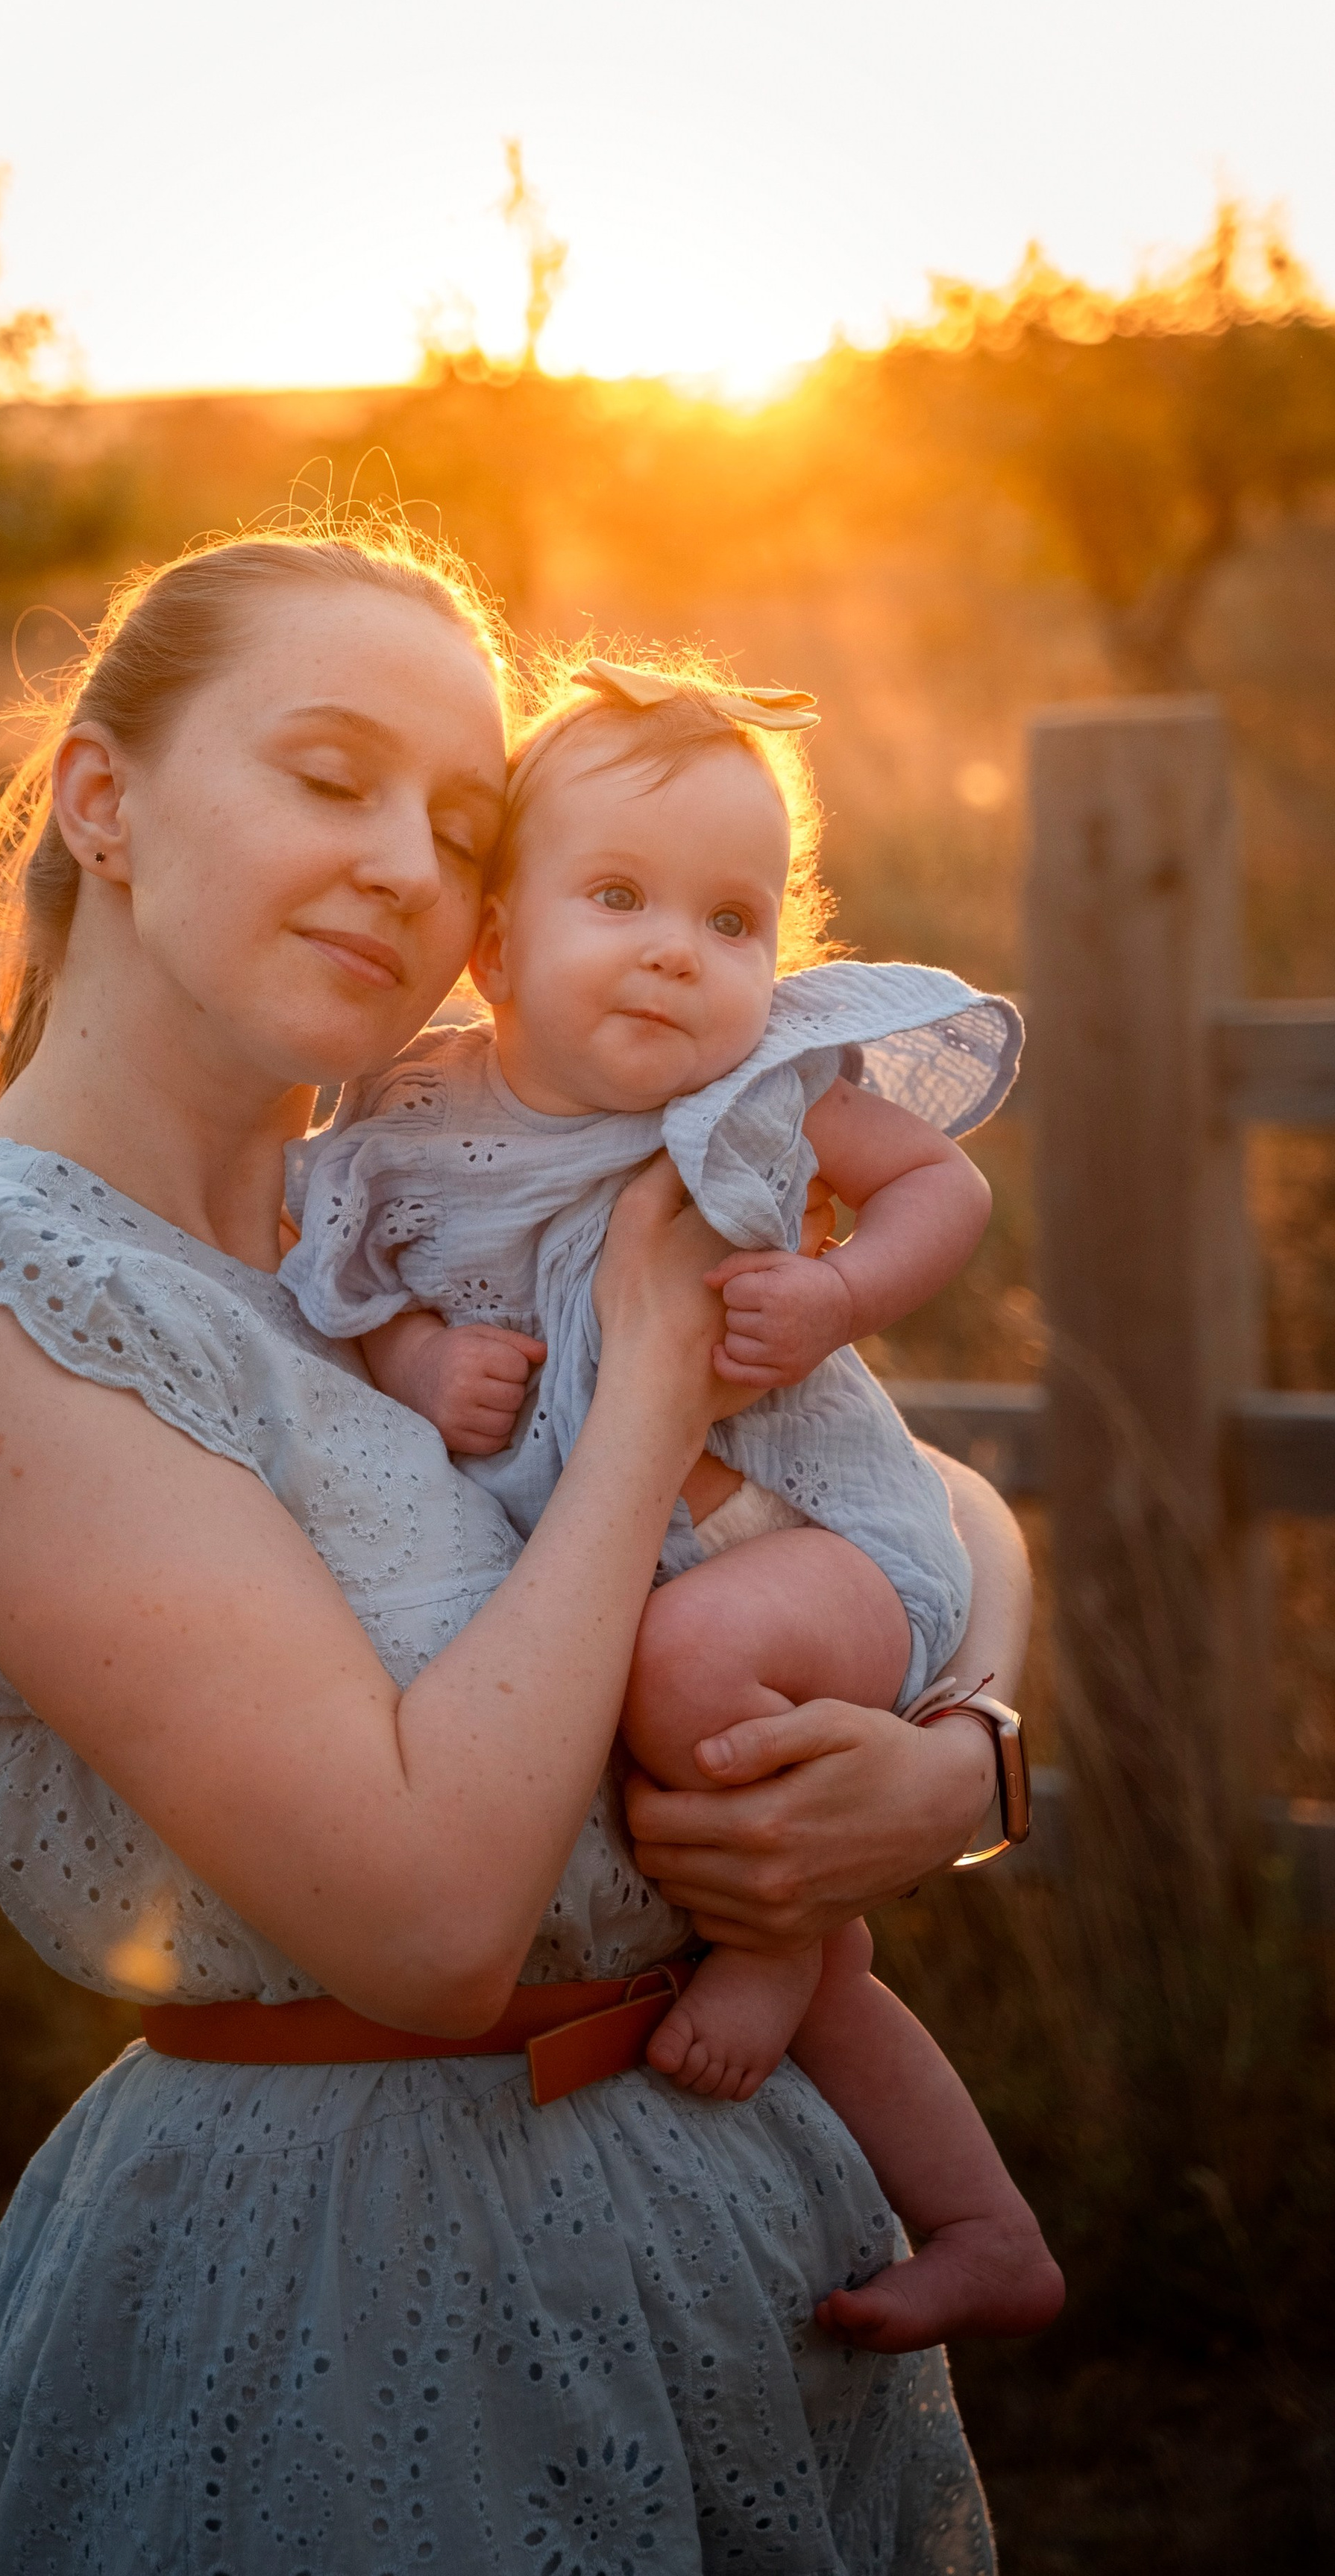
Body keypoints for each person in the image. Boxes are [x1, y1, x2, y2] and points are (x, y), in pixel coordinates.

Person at [0, 526, 1028, 2572]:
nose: (402, 869)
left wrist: (960, 1766)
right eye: (327, 775)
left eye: (458, 822)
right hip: (365, 2308)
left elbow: (932, 1510)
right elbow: (433, 1923)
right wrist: (648, 1389)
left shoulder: (408, 1217)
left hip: (742, 2248)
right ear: (106, 802)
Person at [283, 646, 1063, 2351]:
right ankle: (982, 2223)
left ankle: (779, 1953)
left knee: (686, 1678)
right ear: (493, 942)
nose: (675, 950)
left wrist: (843, 1297)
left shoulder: (762, 1085)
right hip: (649, 1583)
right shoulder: (409, 1119)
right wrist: (421, 1362)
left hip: (821, 1546)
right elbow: (343, 1302)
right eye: (618, 896)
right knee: (706, 1755)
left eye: (730, 919)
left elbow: (940, 1180)